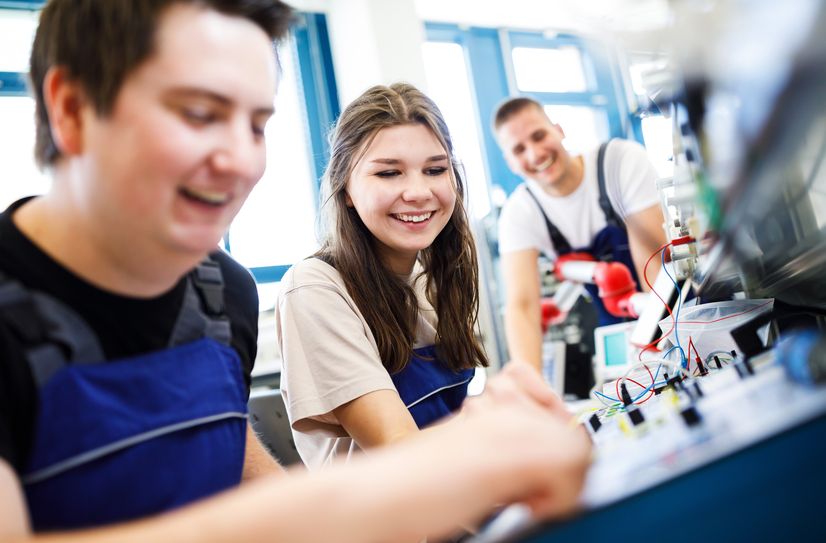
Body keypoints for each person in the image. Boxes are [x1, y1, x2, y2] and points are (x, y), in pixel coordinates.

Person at [0, 1, 591, 541]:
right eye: (200, 114)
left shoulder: (220, 295)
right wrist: (454, 462)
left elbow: (255, 491)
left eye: (256, 124)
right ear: (72, 110)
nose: (240, 162)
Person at [276, 83, 488, 469]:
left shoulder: (435, 276)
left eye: (436, 169)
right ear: (347, 191)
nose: (418, 191)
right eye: (389, 173)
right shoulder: (315, 288)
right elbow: (400, 449)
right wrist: (498, 421)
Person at [493, 97, 667, 372]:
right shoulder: (520, 212)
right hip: (610, 323)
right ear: (511, 162)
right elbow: (522, 306)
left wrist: (664, 347)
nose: (534, 154)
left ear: (559, 130)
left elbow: (654, 262)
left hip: (665, 302)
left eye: (539, 136)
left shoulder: (619, 161)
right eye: (519, 149)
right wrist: (532, 392)